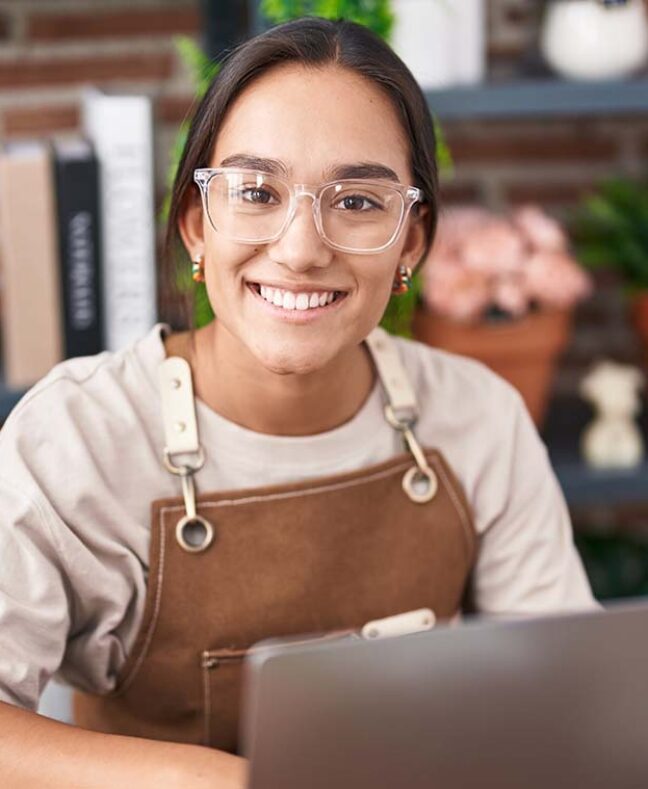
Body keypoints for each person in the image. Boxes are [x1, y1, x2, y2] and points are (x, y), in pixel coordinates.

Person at [0, 16, 596, 788]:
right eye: (256, 191)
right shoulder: (73, 438)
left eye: (356, 202)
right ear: (196, 225)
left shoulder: (478, 417)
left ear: (410, 241)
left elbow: (560, 698)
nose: (301, 247)